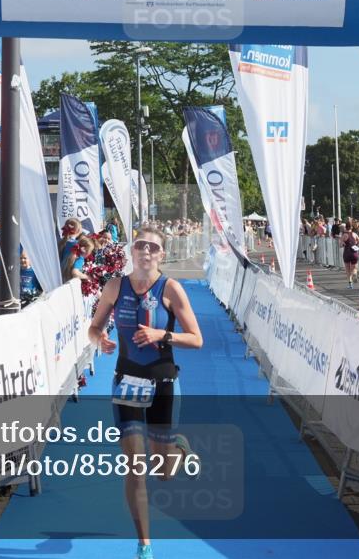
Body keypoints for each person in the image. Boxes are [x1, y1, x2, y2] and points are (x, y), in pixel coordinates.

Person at [87, 227, 204, 559]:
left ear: (161, 254)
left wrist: (162, 335)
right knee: (134, 466)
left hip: (162, 382)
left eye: (153, 247)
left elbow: (196, 338)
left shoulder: (171, 289)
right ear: (132, 251)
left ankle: (179, 450)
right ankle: (145, 545)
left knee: (163, 473)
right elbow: (93, 327)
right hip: (125, 381)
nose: (146, 251)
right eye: (141, 245)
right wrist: (101, 340)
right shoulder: (115, 286)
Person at [342, 222, 359, 288]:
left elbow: (340, 245)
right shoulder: (354, 234)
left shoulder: (344, 235)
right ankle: (355, 273)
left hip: (347, 253)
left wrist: (344, 243)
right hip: (354, 253)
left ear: (345, 227)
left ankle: (350, 284)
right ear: (351, 227)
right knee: (354, 268)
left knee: (347, 269)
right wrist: (355, 244)